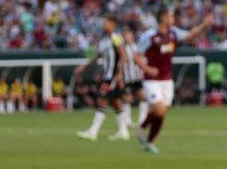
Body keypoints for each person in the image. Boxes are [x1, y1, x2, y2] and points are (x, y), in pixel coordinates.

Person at [136, 8, 214, 154]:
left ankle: (150, 141)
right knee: (159, 109)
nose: (173, 19)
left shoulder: (174, 33)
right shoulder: (149, 36)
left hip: (167, 79)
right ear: (163, 18)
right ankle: (142, 128)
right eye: (171, 16)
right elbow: (137, 55)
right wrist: (147, 69)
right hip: (151, 79)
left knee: (162, 112)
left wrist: (205, 24)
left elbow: (190, 35)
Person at [76, 18, 130, 141]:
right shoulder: (103, 40)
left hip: (113, 76)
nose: (104, 24)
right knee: (115, 102)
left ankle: (93, 132)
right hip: (107, 75)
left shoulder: (115, 37)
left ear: (113, 24)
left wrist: (120, 73)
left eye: (106, 22)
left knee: (103, 99)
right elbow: (97, 56)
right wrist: (84, 66)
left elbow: (123, 55)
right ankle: (123, 131)